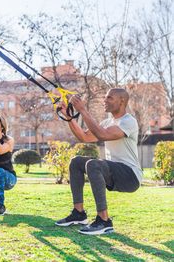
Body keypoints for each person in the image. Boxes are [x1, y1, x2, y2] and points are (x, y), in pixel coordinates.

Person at [55, 88, 142, 235]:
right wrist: (69, 117)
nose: (105, 101)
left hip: (130, 176)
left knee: (93, 164)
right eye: (105, 98)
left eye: (109, 98)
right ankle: (79, 213)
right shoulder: (107, 121)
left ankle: (104, 221)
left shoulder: (129, 121)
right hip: (112, 172)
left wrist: (82, 109)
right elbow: (83, 137)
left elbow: (102, 134)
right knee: (76, 162)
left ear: (122, 101)